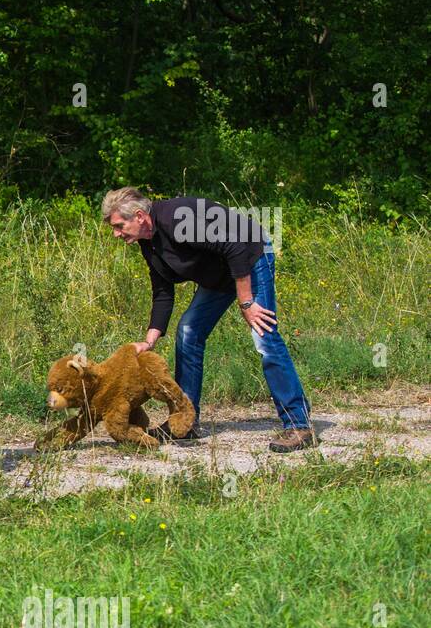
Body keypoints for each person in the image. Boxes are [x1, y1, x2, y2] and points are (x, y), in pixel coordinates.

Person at [102, 187, 318, 452]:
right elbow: (162, 289)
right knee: (188, 332)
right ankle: (185, 423)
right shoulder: (149, 239)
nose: (116, 233)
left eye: (119, 226)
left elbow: (236, 247)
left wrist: (246, 302)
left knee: (264, 336)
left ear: (139, 216)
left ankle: (298, 424)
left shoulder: (176, 219)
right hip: (221, 275)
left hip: (251, 257)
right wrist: (149, 341)